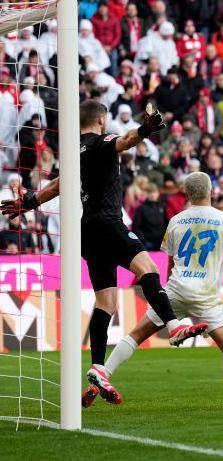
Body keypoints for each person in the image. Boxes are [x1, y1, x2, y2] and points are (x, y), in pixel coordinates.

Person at [0, 101, 206, 407]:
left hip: (87, 232)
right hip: (109, 223)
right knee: (147, 266)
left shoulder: (73, 153)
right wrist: (145, 130)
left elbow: (58, 185)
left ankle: (98, 367)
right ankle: (175, 328)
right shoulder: (103, 141)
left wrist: (30, 201)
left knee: (106, 302)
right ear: (101, 119)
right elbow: (124, 141)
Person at [95, 173, 223, 411]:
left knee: (135, 335)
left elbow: (171, 261)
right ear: (211, 192)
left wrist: (164, 294)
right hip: (205, 295)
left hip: (174, 290)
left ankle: (102, 375)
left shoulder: (176, 220)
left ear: (187, 194)